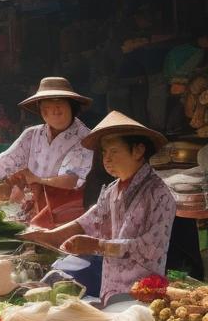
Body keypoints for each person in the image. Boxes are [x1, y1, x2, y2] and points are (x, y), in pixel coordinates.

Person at [21, 112, 173, 303]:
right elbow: (87, 222)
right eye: (104, 153)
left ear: (138, 150)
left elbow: (151, 248)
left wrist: (97, 245)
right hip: (110, 287)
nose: (107, 159)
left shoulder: (159, 193)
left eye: (114, 151)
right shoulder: (113, 189)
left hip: (143, 292)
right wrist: (45, 236)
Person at [0, 77, 93, 226]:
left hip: (66, 217)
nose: (54, 110)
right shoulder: (32, 134)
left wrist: (37, 180)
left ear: (71, 106)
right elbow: (7, 160)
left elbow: (71, 180)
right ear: (40, 109)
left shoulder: (86, 138)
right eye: (47, 105)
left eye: (60, 103)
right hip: (31, 208)